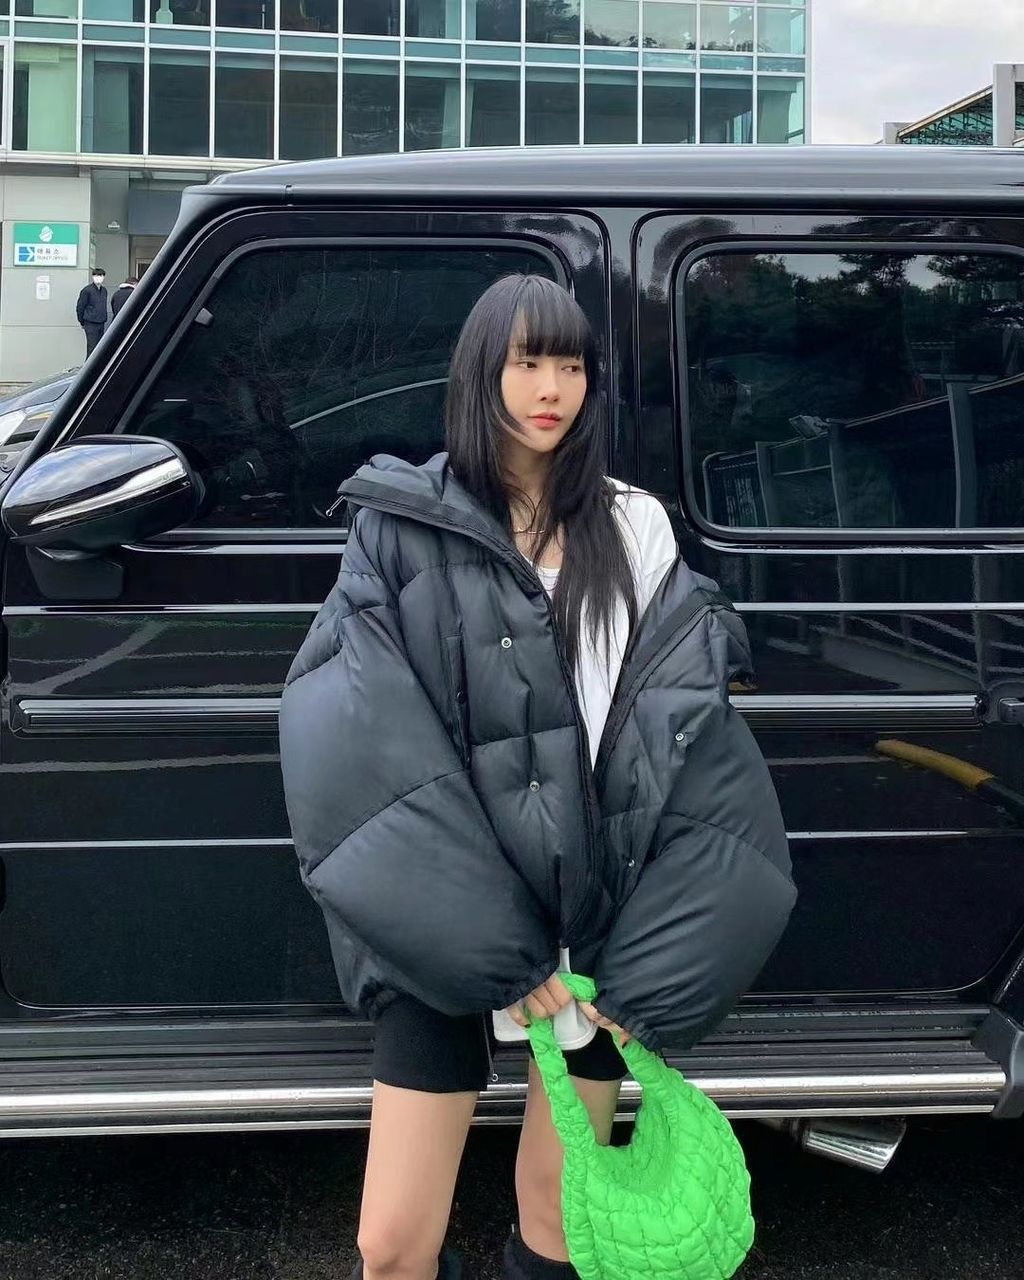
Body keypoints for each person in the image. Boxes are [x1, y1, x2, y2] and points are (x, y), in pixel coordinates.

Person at [279, 275, 793, 1280]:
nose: (550, 387)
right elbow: (369, 751)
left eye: (570, 364)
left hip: (587, 918)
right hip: (444, 917)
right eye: (526, 361)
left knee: (560, 1219)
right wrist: (492, 946)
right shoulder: (402, 523)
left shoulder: (632, 524)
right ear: (482, 371)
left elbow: (678, 743)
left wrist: (647, 963)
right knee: (391, 1243)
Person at [76, 268, 109, 355]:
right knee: (92, 348)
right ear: (92, 277)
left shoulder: (104, 290)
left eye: (100, 276)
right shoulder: (87, 290)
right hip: (90, 322)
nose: (98, 278)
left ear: (104, 277)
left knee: (99, 348)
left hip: (101, 322)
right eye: (96, 275)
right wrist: (81, 321)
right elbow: (80, 306)